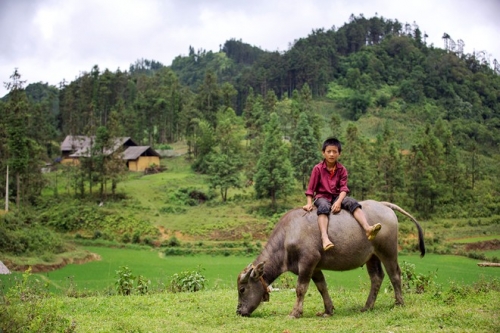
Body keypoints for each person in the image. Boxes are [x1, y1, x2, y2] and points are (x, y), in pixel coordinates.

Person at [303, 137, 381, 251]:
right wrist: (309, 203)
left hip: (336, 196)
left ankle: (367, 228)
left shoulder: (342, 170)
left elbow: (344, 189)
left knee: (352, 202)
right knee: (324, 207)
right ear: (323, 153)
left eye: (335, 151)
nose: (331, 154)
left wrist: (339, 202)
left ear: (339, 154)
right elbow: (311, 189)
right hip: (321, 197)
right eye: (328, 151)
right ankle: (324, 238)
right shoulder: (317, 169)